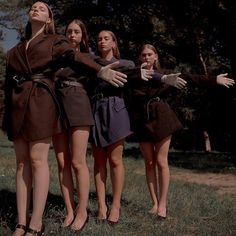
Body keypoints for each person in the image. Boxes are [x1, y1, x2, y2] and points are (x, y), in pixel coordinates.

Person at [1, 2, 128, 235]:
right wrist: (5, 113)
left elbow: (74, 55)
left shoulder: (56, 41)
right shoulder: (14, 51)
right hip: (20, 105)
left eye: (42, 7)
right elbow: (8, 84)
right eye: (33, 6)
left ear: (49, 19)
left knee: (45, 160)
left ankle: (39, 223)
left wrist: (100, 70)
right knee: (22, 163)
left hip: (44, 102)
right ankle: (21, 222)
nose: (35, 8)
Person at [127, 44, 235, 219]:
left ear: (156, 57)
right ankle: (154, 203)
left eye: (149, 54)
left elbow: (190, 77)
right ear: (140, 58)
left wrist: (214, 79)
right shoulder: (135, 75)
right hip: (142, 120)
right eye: (143, 55)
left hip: (162, 117)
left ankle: (163, 205)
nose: (146, 57)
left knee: (161, 161)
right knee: (149, 163)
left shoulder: (166, 74)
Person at [89, 30, 136, 225]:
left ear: (114, 43)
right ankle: (101, 205)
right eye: (99, 39)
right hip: (96, 109)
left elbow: (135, 72)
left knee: (115, 159)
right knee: (99, 161)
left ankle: (115, 205)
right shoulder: (91, 64)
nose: (102, 41)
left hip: (116, 108)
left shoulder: (126, 64)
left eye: (106, 38)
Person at [52, 19, 92, 230]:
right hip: (56, 107)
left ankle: (82, 211)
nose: (72, 34)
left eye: (77, 32)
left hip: (78, 103)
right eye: (69, 31)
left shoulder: (88, 58)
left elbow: (115, 67)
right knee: (62, 162)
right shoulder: (55, 58)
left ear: (82, 37)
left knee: (78, 161)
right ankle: (69, 209)